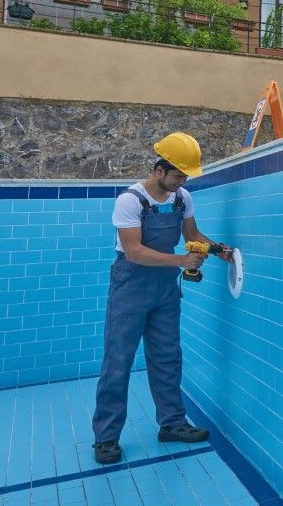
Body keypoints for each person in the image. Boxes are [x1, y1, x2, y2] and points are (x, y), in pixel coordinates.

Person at [91, 132, 230, 465]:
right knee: (118, 360)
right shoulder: (130, 200)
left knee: (168, 356)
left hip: (165, 287)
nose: (182, 181)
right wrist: (181, 261)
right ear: (159, 170)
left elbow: (192, 235)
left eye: (185, 176)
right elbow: (135, 251)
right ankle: (106, 438)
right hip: (131, 283)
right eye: (178, 175)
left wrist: (217, 249)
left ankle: (172, 424)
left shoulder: (181, 198)